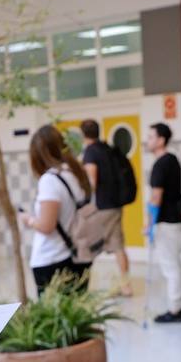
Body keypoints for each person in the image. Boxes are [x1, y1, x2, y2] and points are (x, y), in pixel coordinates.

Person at [23, 124, 92, 295]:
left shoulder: (50, 180)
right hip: (78, 255)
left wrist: (28, 219)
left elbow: (47, 226)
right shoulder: (75, 173)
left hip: (52, 259)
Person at [79, 120, 133, 296]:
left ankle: (81, 286)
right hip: (115, 204)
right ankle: (126, 286)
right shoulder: (106, 148)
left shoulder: (90, 152)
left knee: (87, 245)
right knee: (118, 245)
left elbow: (92, 181)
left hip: (101, 206)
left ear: (83, 134)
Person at [147, 122, 181, 323]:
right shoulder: (173, 160)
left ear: (161, 140)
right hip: (177, 221)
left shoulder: (160, 164)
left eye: (152, 137)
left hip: (166, 223)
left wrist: (149, 223)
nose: (148, 140)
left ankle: (175, 310)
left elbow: (156, 197)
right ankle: (176, 306)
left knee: (170, 268)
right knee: (174, 265)